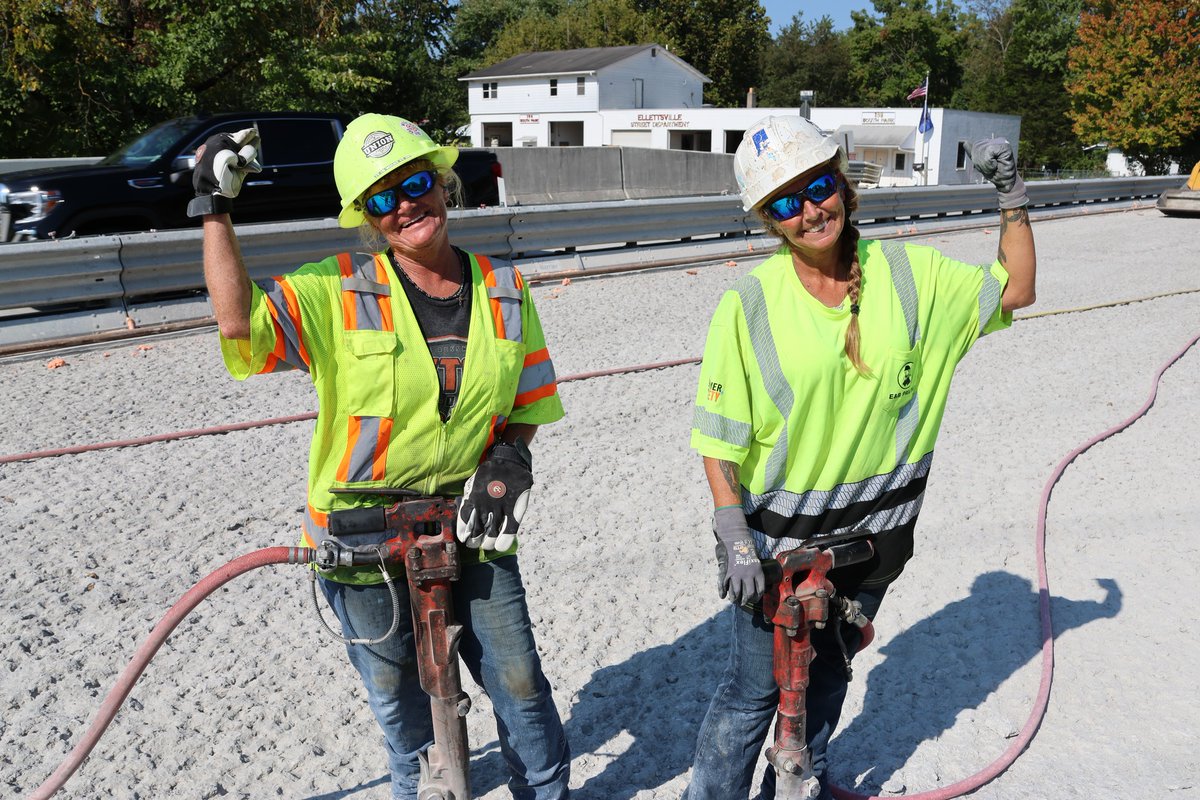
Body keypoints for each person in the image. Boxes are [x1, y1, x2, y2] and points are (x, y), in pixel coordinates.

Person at [192, 114, 571, 800]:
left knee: (520, 683)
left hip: (472, 527)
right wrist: (214, 210)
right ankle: (420, 787)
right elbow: (238, 325)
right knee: (398, 698)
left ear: (444, 184)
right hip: (361, 538)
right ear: (366, 217)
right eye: (381, 198)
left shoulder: (506, 291)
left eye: (417, 182)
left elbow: (528, 405)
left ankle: (545, 790)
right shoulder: (335, 290)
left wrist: (513, 457)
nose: (405, 205)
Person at [684, 115, 1036, 799]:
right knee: (753, 694)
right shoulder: (748, 304)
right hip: (779, 557)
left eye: (818, 186)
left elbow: (1014, 289)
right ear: (768, 219)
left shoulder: (913, 276)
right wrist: (732, 534)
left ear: (842, 183)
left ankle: (797, 785)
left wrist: (1013, 199)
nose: (810, 210)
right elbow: (719, 443)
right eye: (785, 202)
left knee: (830, 675)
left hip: (874, 547)